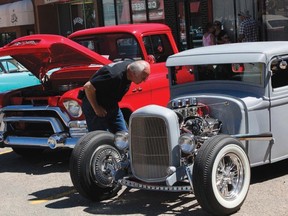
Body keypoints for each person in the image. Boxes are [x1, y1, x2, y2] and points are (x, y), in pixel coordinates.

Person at [81, 60, 151, 133]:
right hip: (96, 106)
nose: (144, 81)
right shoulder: (113, 75)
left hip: (112, 105)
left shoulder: (132, 66)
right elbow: (88, 86)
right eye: (143, 78)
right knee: (99, 136)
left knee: (123, 136)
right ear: (132, 73)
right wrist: (97, 108)